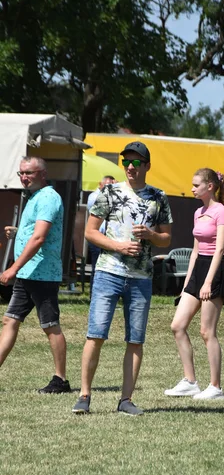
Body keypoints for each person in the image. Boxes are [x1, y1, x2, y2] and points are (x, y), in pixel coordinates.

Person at [72, 141, 172, 416]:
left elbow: (166, 238)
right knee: (96, 334)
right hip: (108, 273)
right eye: (126, 161)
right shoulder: (109, 192)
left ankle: (125, 400)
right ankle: (84, 395)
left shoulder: (158, 197)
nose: (130, 166)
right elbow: (91, 232)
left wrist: (152, 236)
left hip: (141, 278)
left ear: (147, 166)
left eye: (137, 162)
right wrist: (118, 246)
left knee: (135, 339)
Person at [0, 156, 71, 393]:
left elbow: (40, 238)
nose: (23, 177)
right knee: (10, 320)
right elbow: (37, 231)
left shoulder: (49, 197)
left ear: (43, 173)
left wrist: (13, 268)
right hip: (28, 274)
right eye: (21, 173)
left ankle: (60, 380)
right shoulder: (33, 197)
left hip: (43, 274)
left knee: (50, 326)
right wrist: (19, 232)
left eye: (28, 173)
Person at [165, 168, 224, 400]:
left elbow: (220, 250)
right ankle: (190, 381)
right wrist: (188, 283)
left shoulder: (221, 212)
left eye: (196, 185)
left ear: (210, 186)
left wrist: (208, 282)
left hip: (216, 269)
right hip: (199, 269)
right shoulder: (198, 212)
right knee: (178, 325)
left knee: (206, 331)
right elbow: (195, 252)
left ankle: (215, 387)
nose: (192, 188)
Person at [86, 175, 116, 288]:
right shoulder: (93, 196)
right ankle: (94, 292)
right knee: (97, 266)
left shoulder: (113, 194)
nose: (108, 188)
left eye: (111, 185)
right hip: (97, 236)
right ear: (100, 184)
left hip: (110, 237)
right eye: (106, 185)